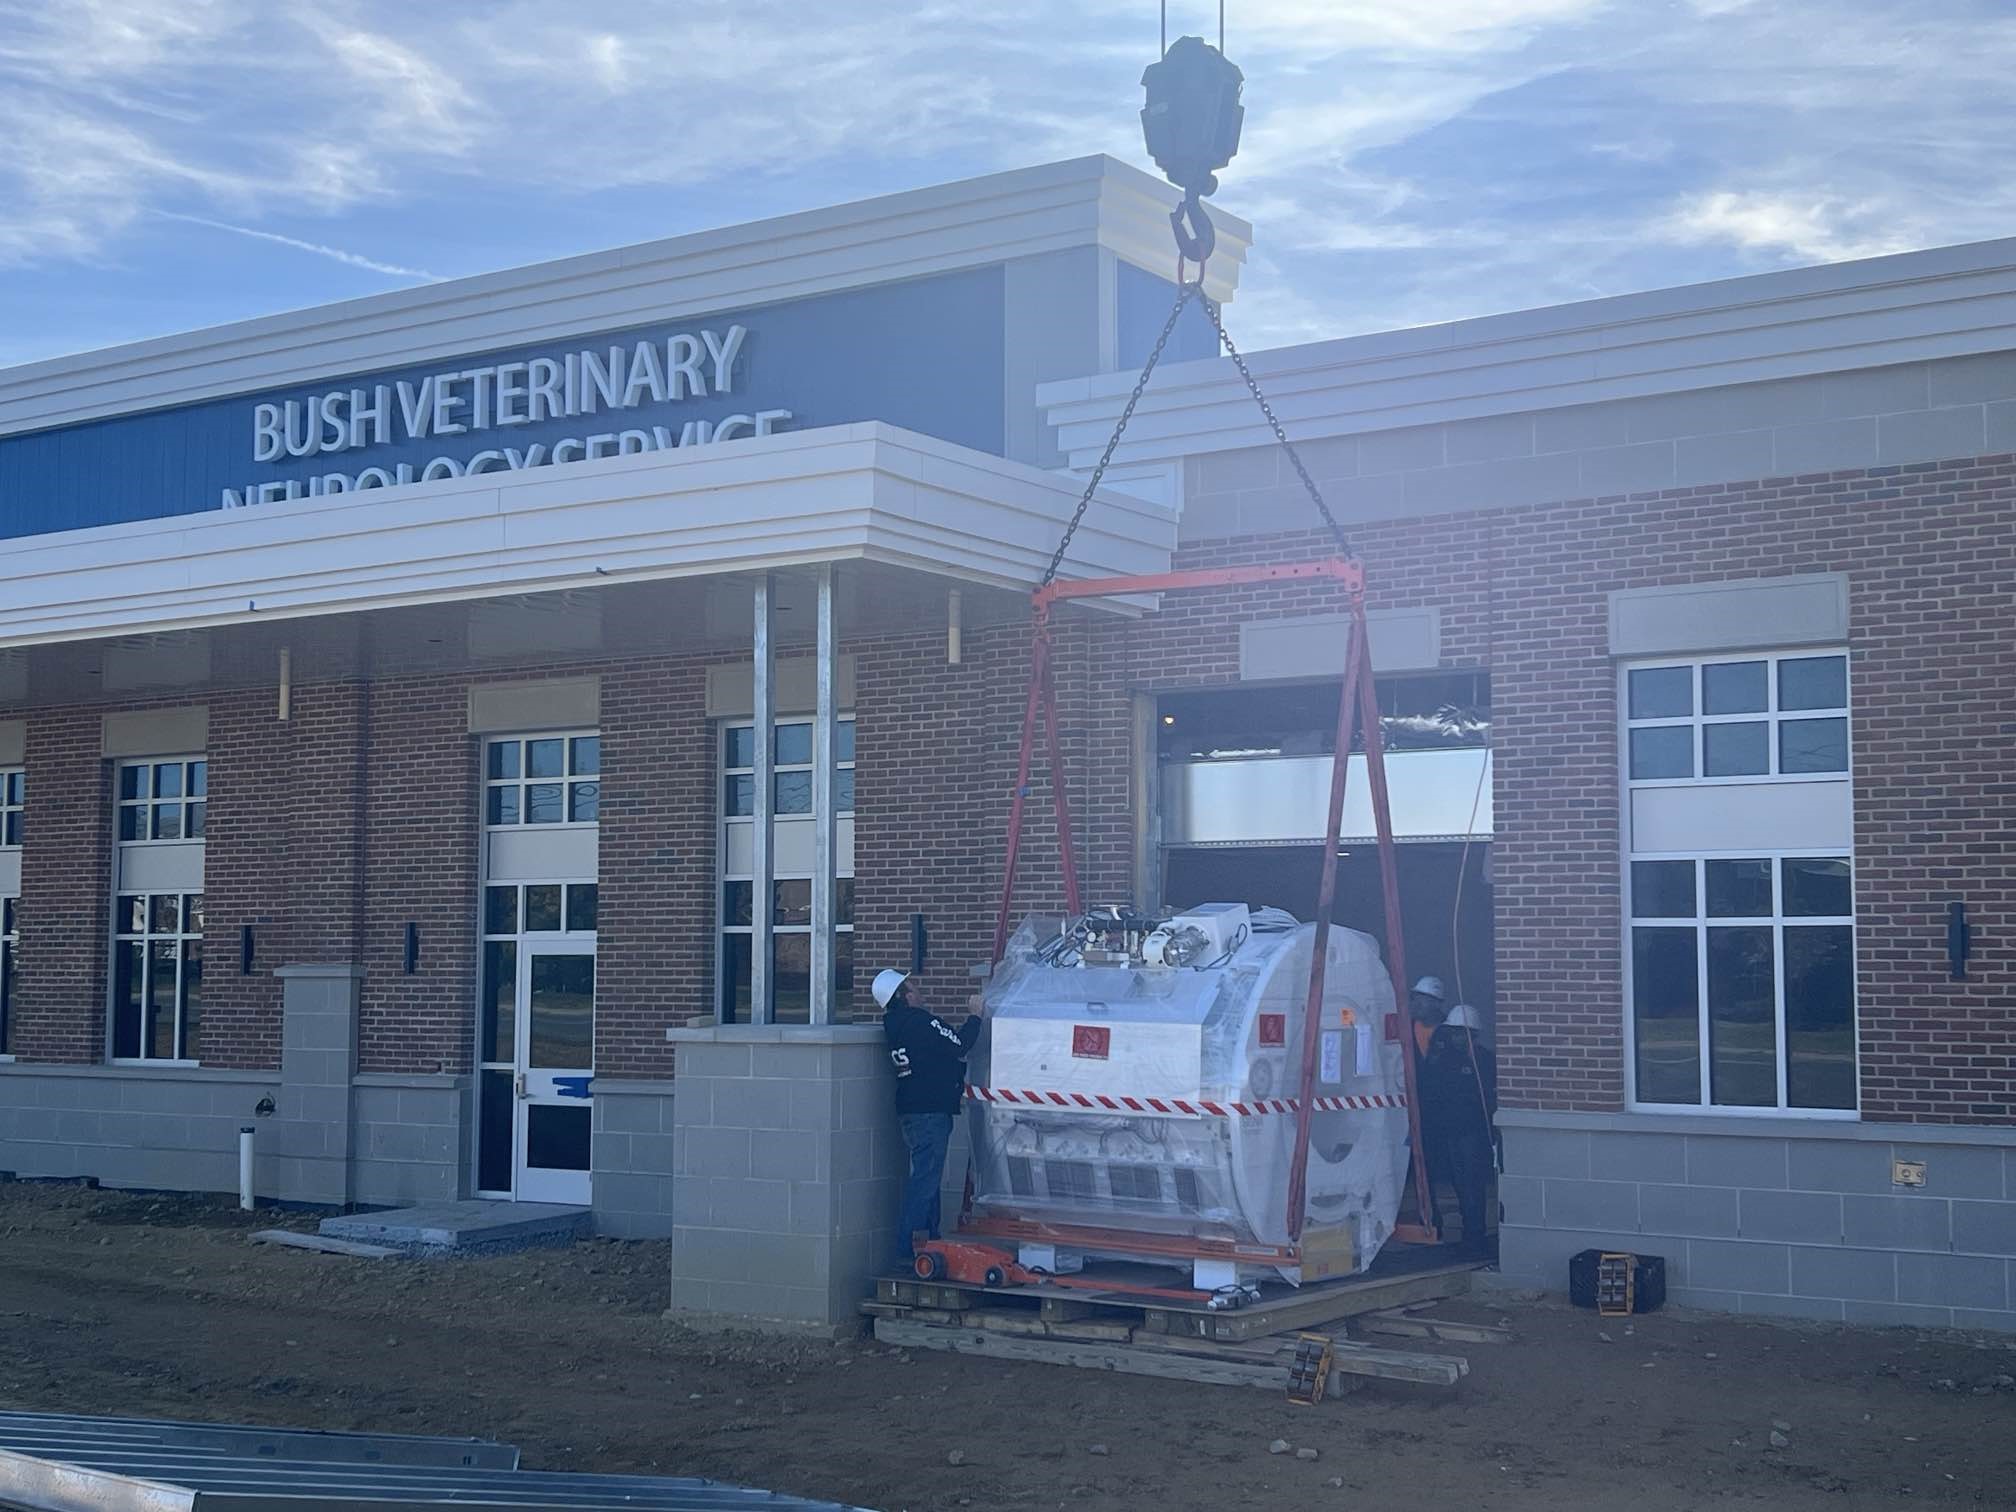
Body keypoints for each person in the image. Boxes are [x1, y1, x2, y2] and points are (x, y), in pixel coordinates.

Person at [876, 967, 982, 1271]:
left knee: (928, 1178)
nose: (919, 992)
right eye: (914, 988)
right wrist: (975, 1015)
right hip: (930, 1112)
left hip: (910, 1110)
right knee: (924, 1181)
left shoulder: (892, 1024)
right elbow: (960, 1045)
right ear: (905, 996)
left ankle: (931, 1242)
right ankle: (907, 1250)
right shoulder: (921, 1020)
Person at [1418, 1003, 1498, 1257]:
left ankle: (1477, 1237)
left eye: (1461, 1033)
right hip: (1452, 1132)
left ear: (1472, 1034)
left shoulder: (1484, 1060)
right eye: (1453, 1033)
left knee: (1473, 1184)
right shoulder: (1445, 1062)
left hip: (1473, 1134)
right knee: (1459, 1184)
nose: (1456, 1038)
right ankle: (1468, 1234)